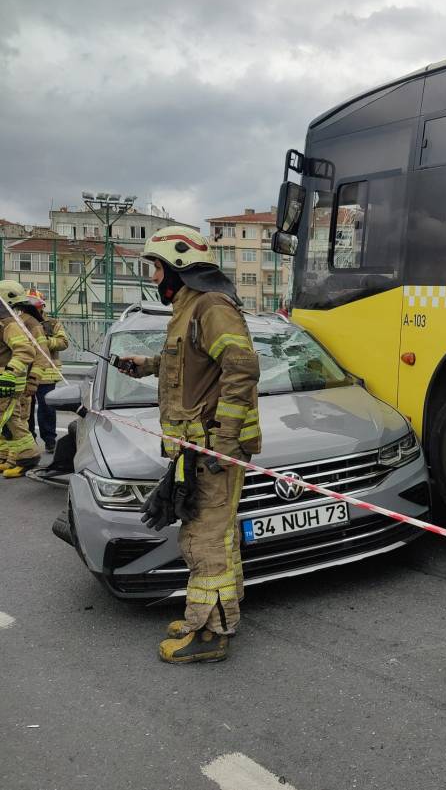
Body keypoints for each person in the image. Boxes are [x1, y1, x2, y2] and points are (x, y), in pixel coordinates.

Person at [118, 226, 261, 664]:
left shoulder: (210, 305)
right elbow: (192, 363)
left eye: (155, 267)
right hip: (198, 448)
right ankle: (220, 618)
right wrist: (147, 366)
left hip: (211, 451)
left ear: (176, 268)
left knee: (203, 540)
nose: (152, 277)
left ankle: (208, 635)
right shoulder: (190, 307)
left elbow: (241, 367)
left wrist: (222, 441)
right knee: (217, 537)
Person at [0, 280, 47, 478]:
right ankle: (8, 456)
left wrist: (15, 375)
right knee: (7, 422)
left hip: (9, 381)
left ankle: (27, 457)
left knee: (12, 422)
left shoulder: (12, 324)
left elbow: (29, 352)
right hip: (8, 380)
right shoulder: (10, 322)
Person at [26, 296, 69, 453]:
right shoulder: (21, 322)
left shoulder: (52, 323)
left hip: (47, 374)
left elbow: (64, 342)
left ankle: (50, 440)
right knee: (26, 410)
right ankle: (29, 440)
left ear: (41, 307)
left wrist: (45, 341)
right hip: (27, 372)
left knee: (47, 408)